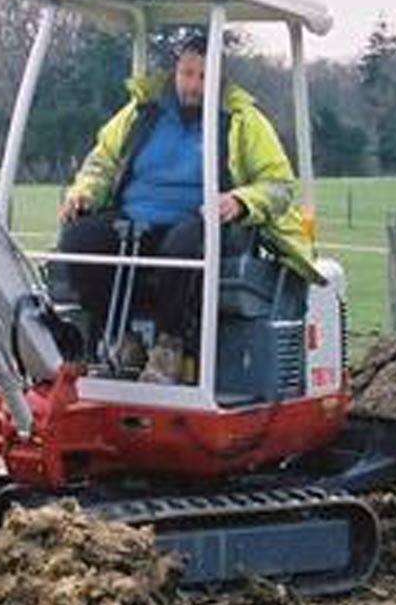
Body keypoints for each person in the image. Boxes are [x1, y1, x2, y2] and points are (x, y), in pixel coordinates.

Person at [53, 34, 319, 383]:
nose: (193, 85)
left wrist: (240, 201)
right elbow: (102, 162)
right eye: (187, 74)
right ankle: (119, 340)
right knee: (78, 238)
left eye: (203, 77)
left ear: (220, 78)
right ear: (175, 72)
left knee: (181, 246)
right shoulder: (142, 113)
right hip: (134, 220)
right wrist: (84, 192)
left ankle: (169, 346)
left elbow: (278, 186)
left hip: (202, 221)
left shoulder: (242, 121)